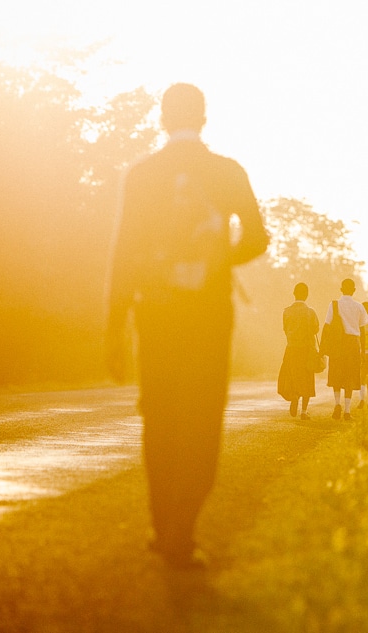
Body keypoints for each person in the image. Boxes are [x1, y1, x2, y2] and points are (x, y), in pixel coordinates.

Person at [104, 83, 269, 569]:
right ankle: (183, 526)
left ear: (161, 118)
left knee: (159, 416)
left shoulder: (142, 175)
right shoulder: (227, 172)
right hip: (209, 314)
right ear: (204, 118)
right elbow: (258, 238)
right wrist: (221, 260)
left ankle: (162, 526)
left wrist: (114, 328)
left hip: (153, 312)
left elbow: (122, 253)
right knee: (201, 417)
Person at [324, 278, 368, 420]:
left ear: (341, 289)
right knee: (350, 375)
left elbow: (327, 326)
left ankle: (337, 404)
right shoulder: (359, 307)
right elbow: (362, 330)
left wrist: (323, 347)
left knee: (336, 374)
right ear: (354, 290)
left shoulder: (334, 305)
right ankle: (347, 410)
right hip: (353, 344)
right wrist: (363, 350)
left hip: (337, 344)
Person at [277, 282, 319, 420]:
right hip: (307, 350)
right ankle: (304, 411)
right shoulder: (310, 312)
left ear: (294, 294)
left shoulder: (286, 311)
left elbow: (284, 329)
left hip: (291, 348)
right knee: (307, 379)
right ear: (306, 295)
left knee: (292, 376)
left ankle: (294, 396)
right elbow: (315, 329)